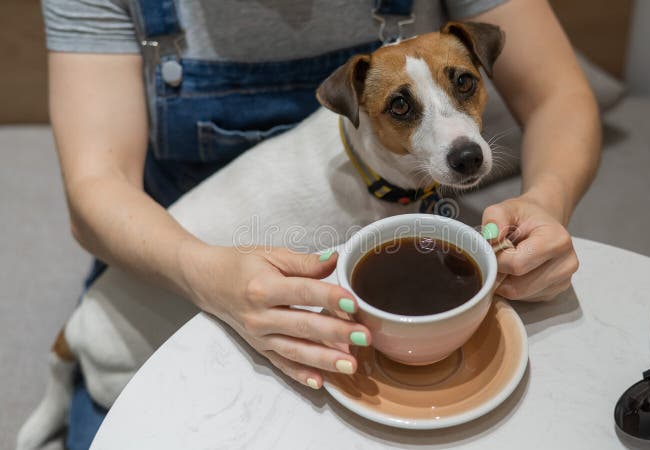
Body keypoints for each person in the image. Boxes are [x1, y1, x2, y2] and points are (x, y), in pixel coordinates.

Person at [41, 0, 600, 447]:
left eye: (462, 85)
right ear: (357, 111)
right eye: (404, 108)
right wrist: (202, 275)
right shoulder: (317, 185)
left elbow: (561, 95)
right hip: (145, 297)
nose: (460, 141)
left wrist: (547, 200)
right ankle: (69, 385)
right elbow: (93, 186)